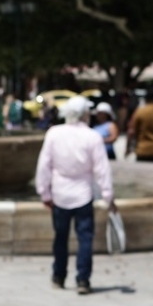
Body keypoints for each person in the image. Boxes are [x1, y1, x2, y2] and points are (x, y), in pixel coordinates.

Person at [35, 97, 115, 295]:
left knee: (60, 238)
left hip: (60, 194)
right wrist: (108, 195)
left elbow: (44, 165)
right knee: (85, 238)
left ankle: (58, 276)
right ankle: (83, 279)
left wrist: (44, 192)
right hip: (83, 195)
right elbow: (102, 169)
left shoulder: (54, 134)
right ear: (84, 114)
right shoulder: (92, 136)